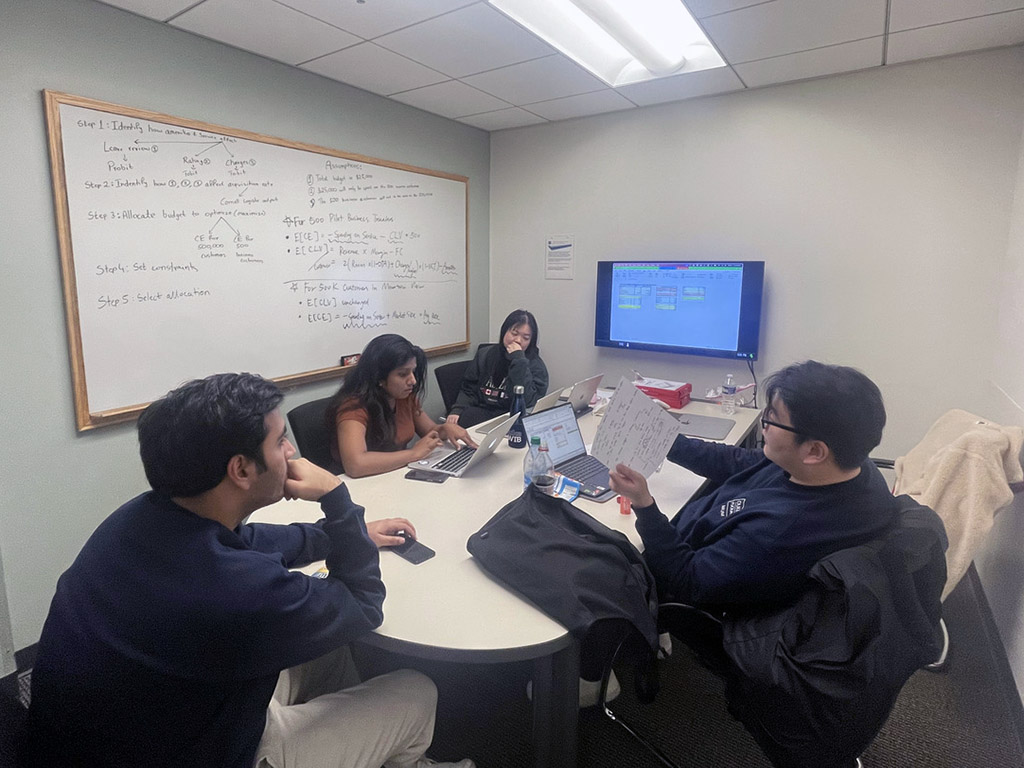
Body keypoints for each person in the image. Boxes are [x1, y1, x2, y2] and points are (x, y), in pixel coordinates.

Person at [23, 373, 474, 768]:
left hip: (141, 725)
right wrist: (338, 501)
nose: (292, 449)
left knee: (330, 648)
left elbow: (246, 542)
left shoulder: (143, 516)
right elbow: (363, 604)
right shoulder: (234, 592)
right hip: (203, 751)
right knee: (417, 691)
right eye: (280, 440)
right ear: (240, 469)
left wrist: (345, 534)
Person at [610, 360, 900, 610]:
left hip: (679, 567)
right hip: (695, 540)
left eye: (772, 420)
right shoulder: (846, 465)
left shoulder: (778, 534)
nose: (764, 427)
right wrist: (662, 438)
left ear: (814, 451)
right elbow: (737, 462)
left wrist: (644, 504)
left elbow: (688, 580)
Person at [329, 334, 477, 478]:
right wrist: (413, 454)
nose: (412, 380)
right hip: (363, 484)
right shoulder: (353, 407)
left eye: (413, 372)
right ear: (379, 377)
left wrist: (444, 429)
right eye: (402, 374)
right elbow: (356, 464)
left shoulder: (403, 397)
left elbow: (430, 431)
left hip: (394, 475)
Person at [445, 309, 549, 428]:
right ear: (505, 331)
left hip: (512, 417)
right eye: (514, 334)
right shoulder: (485, 355)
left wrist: (519, 361)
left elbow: (529, 402)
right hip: (483, 412)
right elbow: (469, 388)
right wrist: (458, 409)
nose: (518, 340)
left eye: (525, 338)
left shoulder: (535, 365)